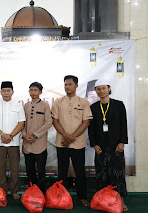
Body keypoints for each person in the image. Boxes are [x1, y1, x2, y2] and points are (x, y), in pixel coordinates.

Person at [51, 75, 93, 207]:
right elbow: (55, 121)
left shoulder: (84, 102)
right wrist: (65, 135)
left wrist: (72, 137)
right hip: (61, 143)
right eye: (65, 84)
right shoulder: (58, 102)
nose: (67, 87)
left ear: (76, 86)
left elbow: (86, 122)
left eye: (69, 84)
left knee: (79, 171)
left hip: (78, 144)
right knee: (62, 171)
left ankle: (82, 197)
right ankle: (61, 196)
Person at [88, 79, 128, 211]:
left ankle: (120, 201)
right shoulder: (93, 107)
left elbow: (124, 124)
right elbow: (91, 129)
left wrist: (122, 142)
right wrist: (94, 144)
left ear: (109, 89)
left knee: (118, 174)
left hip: (116, 146)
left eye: (103, 88)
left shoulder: (118, 105)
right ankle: (102, 201)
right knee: (101, 174)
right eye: (98, 89)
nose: (101, 91)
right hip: (100, 147)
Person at [0, 81, 26, 199]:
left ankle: (14, 190)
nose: (6, 93)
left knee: (15, 168)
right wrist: (3, 135)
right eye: (4, 91)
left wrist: (10, 136)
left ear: (12, 92)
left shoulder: (18, 105)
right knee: (1, 169)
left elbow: (21, 123)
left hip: (13, 142)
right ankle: (2, 190)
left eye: (8, 90)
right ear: (0, 92)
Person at [22, 82, 52, 194]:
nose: (33, 92)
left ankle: (41, 194)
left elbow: (48, 122)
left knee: (41, 171)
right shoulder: (26, 106)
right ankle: (31, 193)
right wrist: (24, 135)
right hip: (27, 144)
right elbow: (22, 123)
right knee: (30, 171)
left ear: (40, 92)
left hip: (40, 144)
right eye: (31, 90)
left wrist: (35, 135)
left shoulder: (45, 105)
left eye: (35, 90)